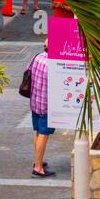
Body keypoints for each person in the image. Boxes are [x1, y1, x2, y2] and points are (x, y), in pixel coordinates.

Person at [27, 49, 55, 177]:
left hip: (35, 101)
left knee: (37, 131)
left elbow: (27, 70)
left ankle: (37, 161)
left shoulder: (37, 57)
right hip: (46, 105)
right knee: (44, 134)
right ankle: (38, 168)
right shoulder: (52, 64)